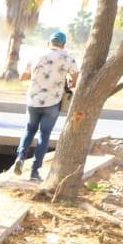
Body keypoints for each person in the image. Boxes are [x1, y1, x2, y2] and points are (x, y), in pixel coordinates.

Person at [13, 30, 79, 182]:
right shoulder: (68, 58)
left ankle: (20, 158)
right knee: (44, 135)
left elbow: (23, 76)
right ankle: (35, 172)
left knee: (29, 130)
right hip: (52, 102)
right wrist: (68, 82)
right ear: (63, 45)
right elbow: (75, 78)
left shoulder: (37, 55)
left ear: (49, 43)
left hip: (33, 100)